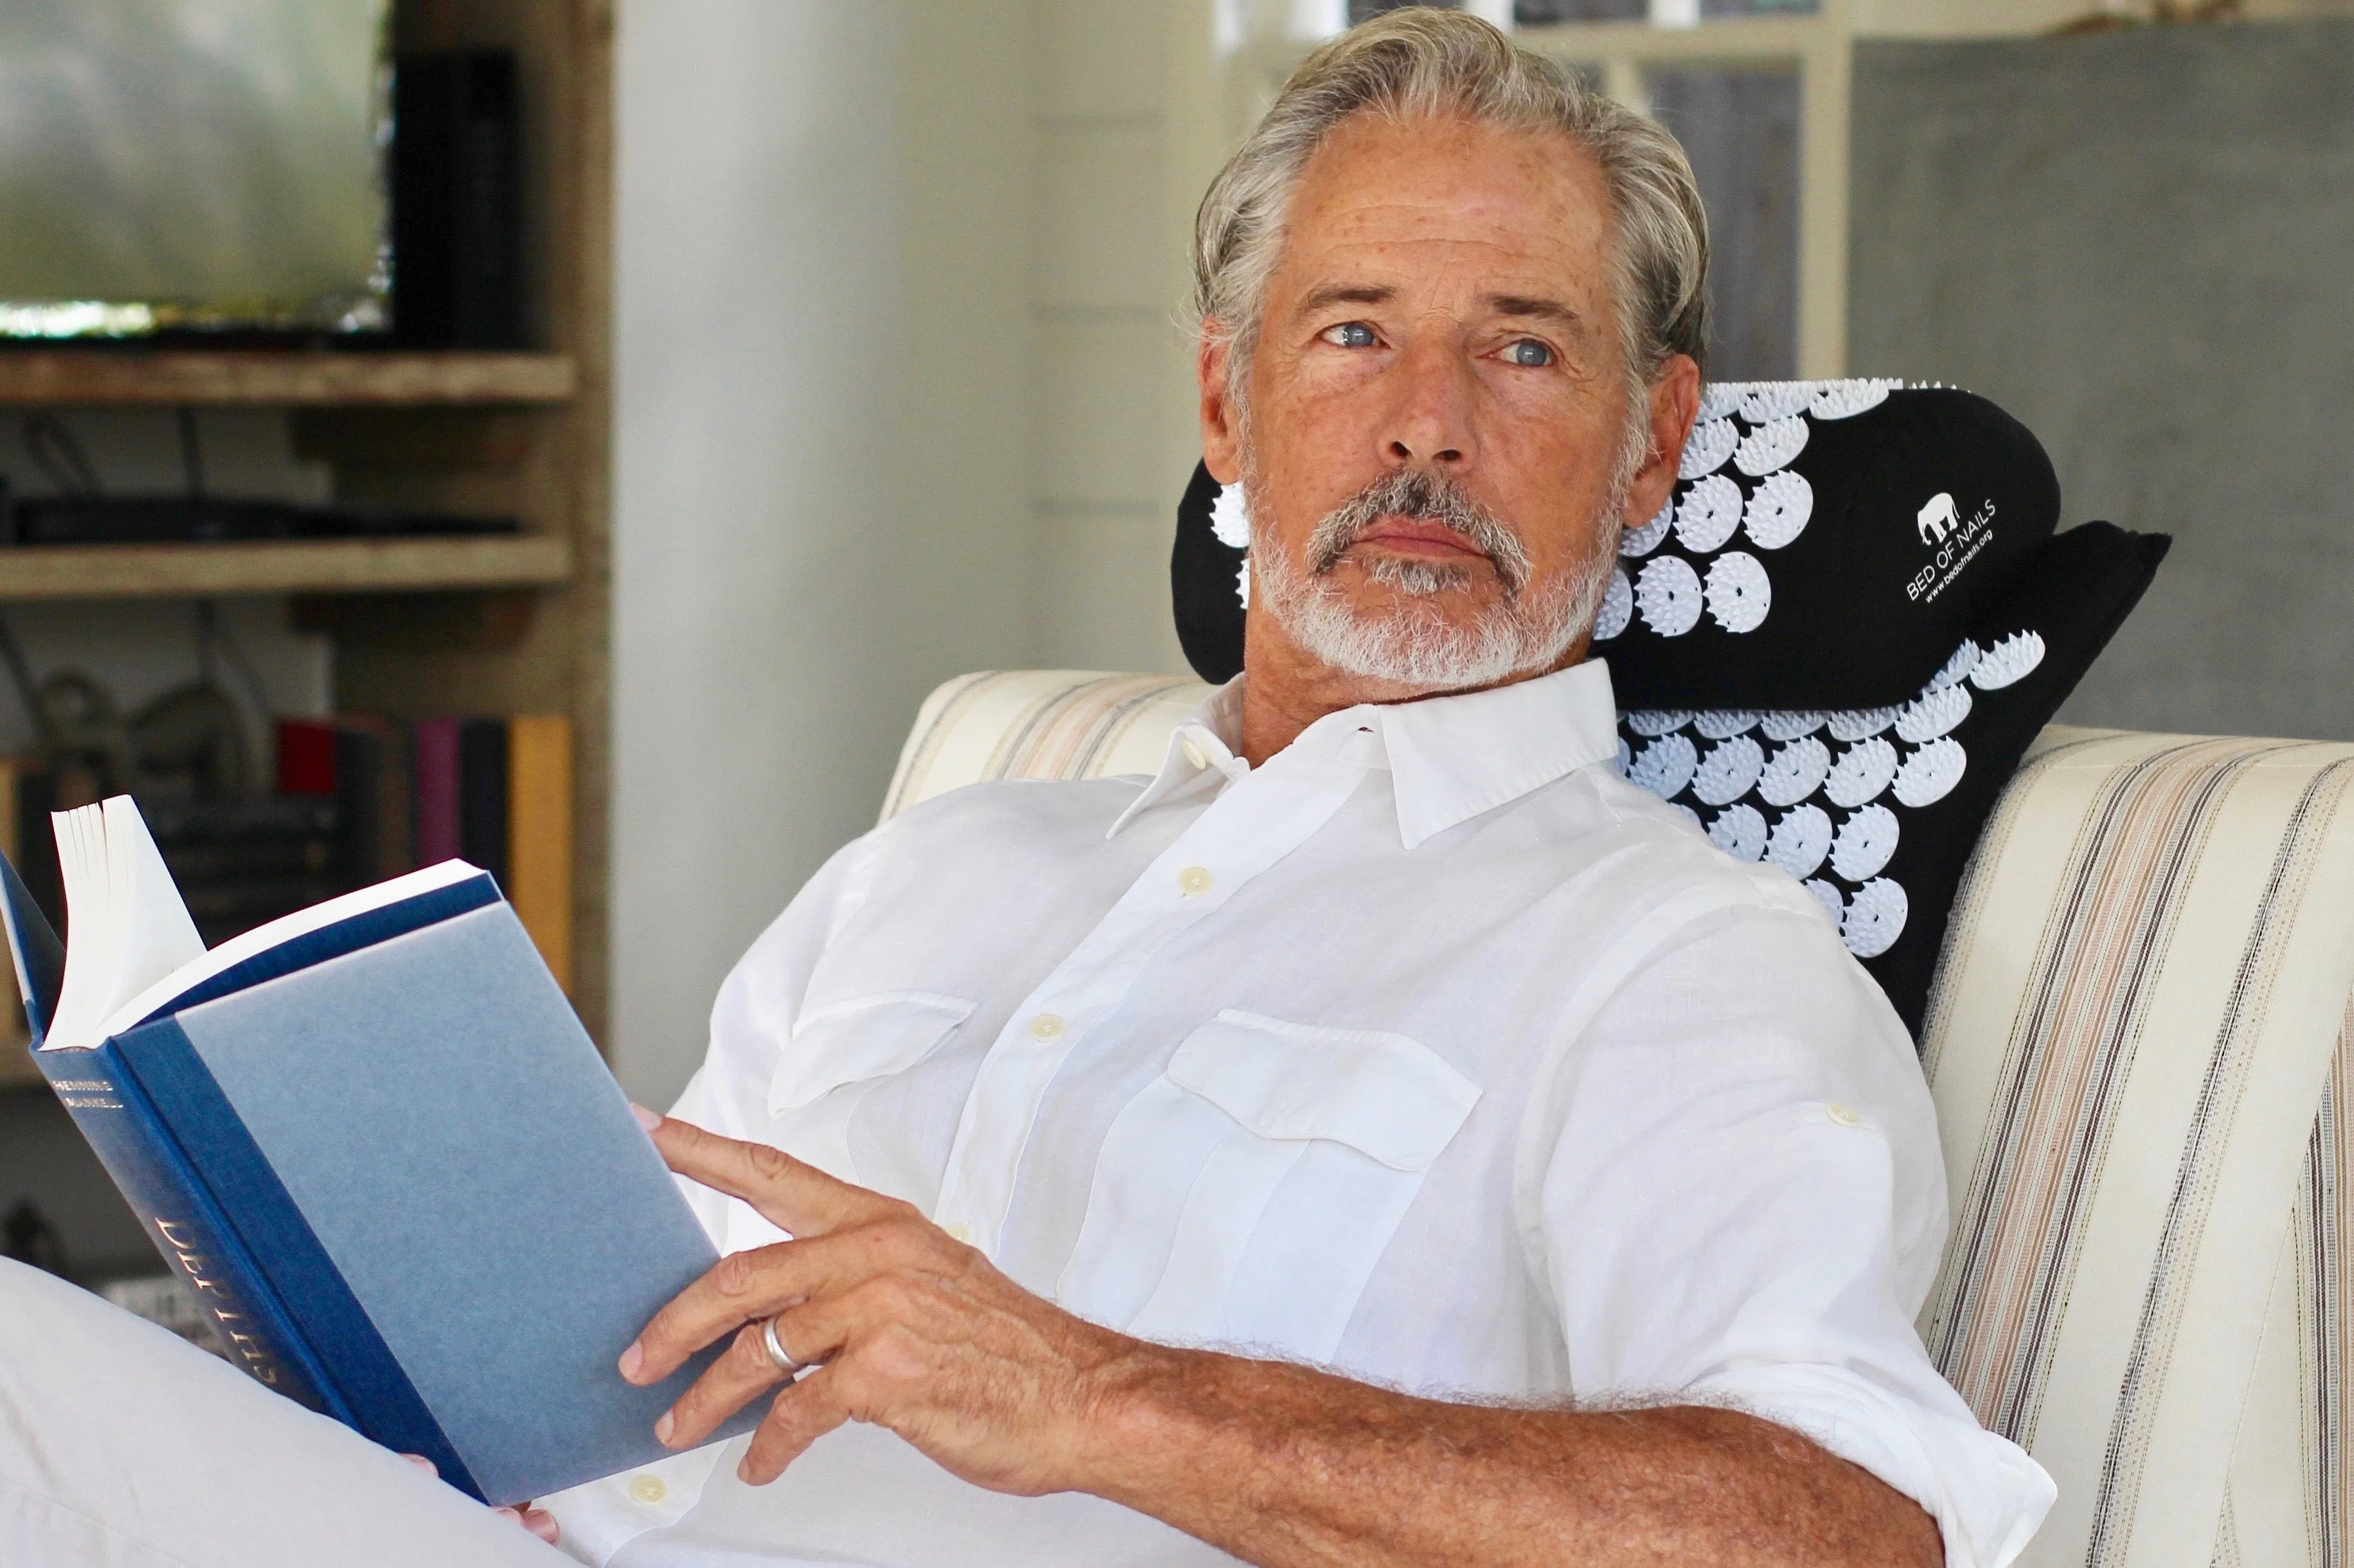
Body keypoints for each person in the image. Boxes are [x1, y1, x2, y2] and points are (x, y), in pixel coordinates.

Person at [0, 12, 2051, 1568]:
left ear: (1651, 445)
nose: (1425, 423)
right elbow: (647, 1407)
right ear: (1227, 403)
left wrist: (1096, 1399)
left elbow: (1852, 1525)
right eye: (1352, 334)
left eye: (1522, 352)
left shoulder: (1677, 958)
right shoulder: (944, 861)